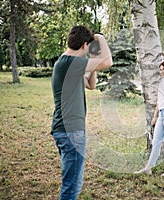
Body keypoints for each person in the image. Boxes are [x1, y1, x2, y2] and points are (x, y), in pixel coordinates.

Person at [51, 25, 113, 199]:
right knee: (71, 188)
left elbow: (91, 85)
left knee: (72, 184)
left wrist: (93, 60)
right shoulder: (70, 63)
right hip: (71, 132)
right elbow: (108, 62)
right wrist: (100, 38)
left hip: (65, 130)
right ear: (85, 45)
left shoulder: (66, 64)